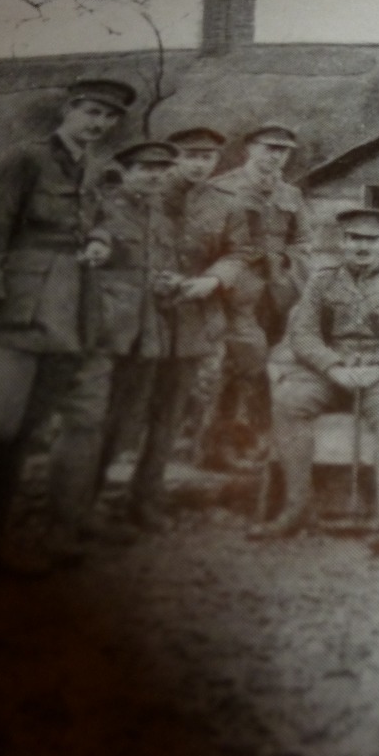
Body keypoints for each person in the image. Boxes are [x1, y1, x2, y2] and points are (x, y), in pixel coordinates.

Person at [0, 76, 136, 574]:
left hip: (70, 312)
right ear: (68, 109)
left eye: (109, 117)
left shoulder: (97, 169)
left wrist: (100, 240)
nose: (100, 124)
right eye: (91, 112)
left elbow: (103, 221)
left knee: (22, 434)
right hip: (17, 307)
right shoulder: (23, 159)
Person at [252, 206, 379, 554]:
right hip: (328, 373)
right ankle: (296, 508)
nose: (363, 247)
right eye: (354, 239)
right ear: (342, 243)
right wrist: (334, 368)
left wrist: (378, 368)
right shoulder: (321, 282)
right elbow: (303, 335)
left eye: (372, 240)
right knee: (290, 402)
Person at [83, 140, 218, 533]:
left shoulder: (160, 214)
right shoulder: (104, 208)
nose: (154, 176)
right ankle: (82, 504)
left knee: (141, 416)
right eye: (144, 169)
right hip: (115, 331)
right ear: (124, 172)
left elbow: (161, 264)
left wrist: (170, 280)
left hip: (154, 331)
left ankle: (134, 504)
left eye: (160, 170)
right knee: (110, 419)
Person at [187, 122, 310, 471]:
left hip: (275, 294)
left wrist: (290, 271)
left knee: (248, 365)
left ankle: (231, 444)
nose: (276, 156)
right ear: (249, 149)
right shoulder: (221, 189)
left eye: (283, 150)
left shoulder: (290, 194)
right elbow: (206, 244)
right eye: (269, 147)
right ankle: (212, 445)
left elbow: (302, 241)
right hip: (231, 290)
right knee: (237, 363)